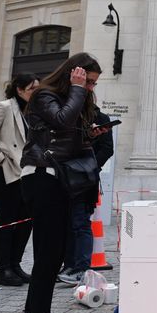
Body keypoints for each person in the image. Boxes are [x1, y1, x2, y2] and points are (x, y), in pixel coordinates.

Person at [18, 52, 108, 313]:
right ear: (74, 75)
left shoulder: (67, 98)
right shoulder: (44, 95)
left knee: (52, 250)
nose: (91, 88)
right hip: (44, 177)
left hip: (57, 178)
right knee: (49, 252)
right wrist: (79, 90)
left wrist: (90, 134)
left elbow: (66, 134)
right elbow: (61, 121)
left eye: (93, 84)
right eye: (89, 82)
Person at [0, 73, 39, 287]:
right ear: (19, 89)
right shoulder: (3, 107)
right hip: (5, 172)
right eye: (32, 88)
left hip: (27, 172)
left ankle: (15, 264)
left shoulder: (31, 112)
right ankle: (3, 270)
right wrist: (0, 159)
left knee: (25, 221)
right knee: (6, 221)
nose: (35, 92)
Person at [58, 106, 114, 285]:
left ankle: (81, 268)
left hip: (86, 178)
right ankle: (69, 265)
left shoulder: (101, 117)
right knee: (67, 224)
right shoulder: (67, 116)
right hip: (66, 177)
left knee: (81, 223)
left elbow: (107, 149)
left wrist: (89, 166)